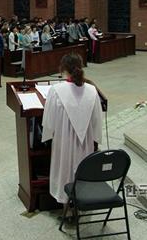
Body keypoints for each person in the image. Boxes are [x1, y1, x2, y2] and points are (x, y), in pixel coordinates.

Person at [42, 53, 104, 204]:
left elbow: (49, 121)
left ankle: (66, 204)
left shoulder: (56, 90)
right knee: (81, 168)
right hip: (85, 143)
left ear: (63, 69)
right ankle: (81, 199)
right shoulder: (91, 90)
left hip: (64, 140)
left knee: (64, 169)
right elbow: (97, 119)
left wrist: (48, 135)